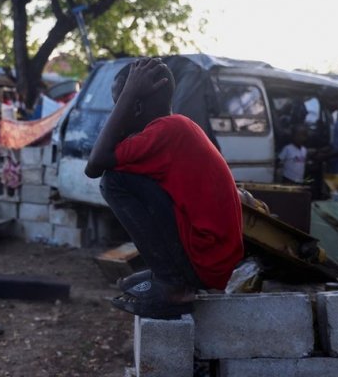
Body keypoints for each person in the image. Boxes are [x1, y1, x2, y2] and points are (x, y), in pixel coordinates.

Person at [85, 58, 243, 319]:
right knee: (130, 285)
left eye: (120, 106)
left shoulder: (167, 131)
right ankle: (169, 276)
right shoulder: (177, 126)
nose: (118, 113)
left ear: (134, 106)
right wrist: (129, 95)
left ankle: (174, 286)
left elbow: (95, 165)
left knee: (113, 180)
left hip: (206, 262)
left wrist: (127, 95)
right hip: (213, 260)